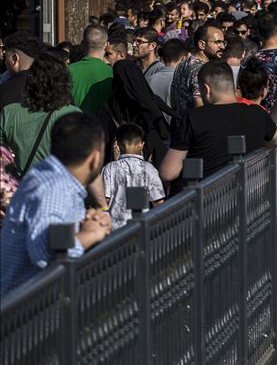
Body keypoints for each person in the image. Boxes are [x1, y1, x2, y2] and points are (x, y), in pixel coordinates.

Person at [0, 112, 112, 296]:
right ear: (94, 159)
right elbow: (46, 252)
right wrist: (91, 233)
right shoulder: (57, 189)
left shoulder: (45, 174)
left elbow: (52, 232)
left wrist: (82, 224)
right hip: (29, 311)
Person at [160, 61, 277, 191]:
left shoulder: (194, 117)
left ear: (207, 90)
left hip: (199, 200)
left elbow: (168, 172)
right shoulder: (257, 113)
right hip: (242, 195)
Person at [1, 52, 82, 177]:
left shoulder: (8, 113)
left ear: (30, 80)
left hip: (22, 190)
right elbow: (83, 162)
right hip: (60, 190)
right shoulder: (74, 115)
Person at [101, 123, 165, 229]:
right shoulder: (149, 169)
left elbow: (104, 201)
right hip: (141, 226)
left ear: (118, 145)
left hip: (115, 229)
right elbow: (158, 202)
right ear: (141, 145)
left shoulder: (109, 168)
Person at [69, 25, 114, 114]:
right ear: (107, 45)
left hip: (74, 124)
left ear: (82, 44)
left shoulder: (67, 70)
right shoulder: (113, 72)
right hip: (103, 126)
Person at [0, 32, 42, 109]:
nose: (5, 62)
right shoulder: (53, 88)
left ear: (14, 58)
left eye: (6, 58)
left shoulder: (3, 92)